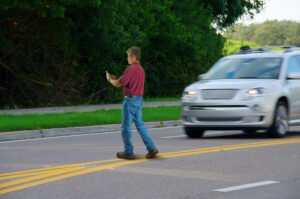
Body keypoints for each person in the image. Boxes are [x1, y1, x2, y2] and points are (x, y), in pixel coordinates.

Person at [106, 46, 159, 160]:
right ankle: (151, 148)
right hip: (139, 100)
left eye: (128, 56)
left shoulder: (131, 68)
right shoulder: (141, 69)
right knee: (140, 126)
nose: (127, 58)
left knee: (126, 127)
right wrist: (116, 79)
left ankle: (128, 152)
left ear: (133, 57)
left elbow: (118, 84)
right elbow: (125, 81)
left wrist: (110, 79)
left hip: (130, 101)